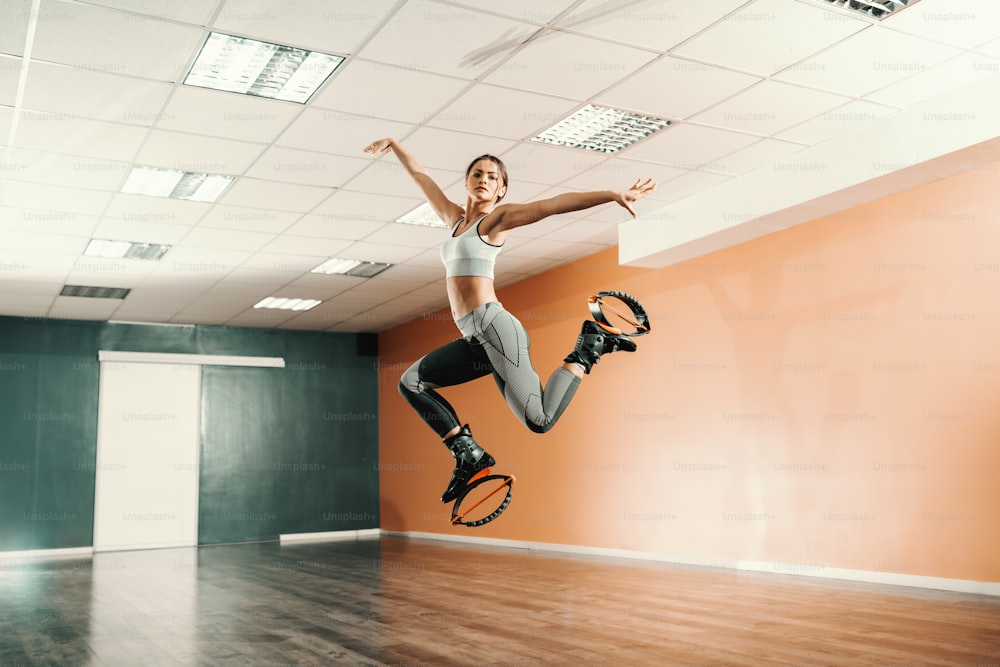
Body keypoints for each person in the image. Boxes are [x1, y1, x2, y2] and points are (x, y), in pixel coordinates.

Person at [363, 138, 657, 504]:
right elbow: (422, 177)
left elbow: (550, 206)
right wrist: (394, 145)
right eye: (477, 174)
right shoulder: (454, 220)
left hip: (496, 329)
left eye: (492, 177)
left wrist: (612, 194)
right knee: (412, 384)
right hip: (475, 338)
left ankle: (590, 346)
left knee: (540, 420)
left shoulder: (495, 221)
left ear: (501, 189)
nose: (483, 180)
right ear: (467, 182)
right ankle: (469, 454)